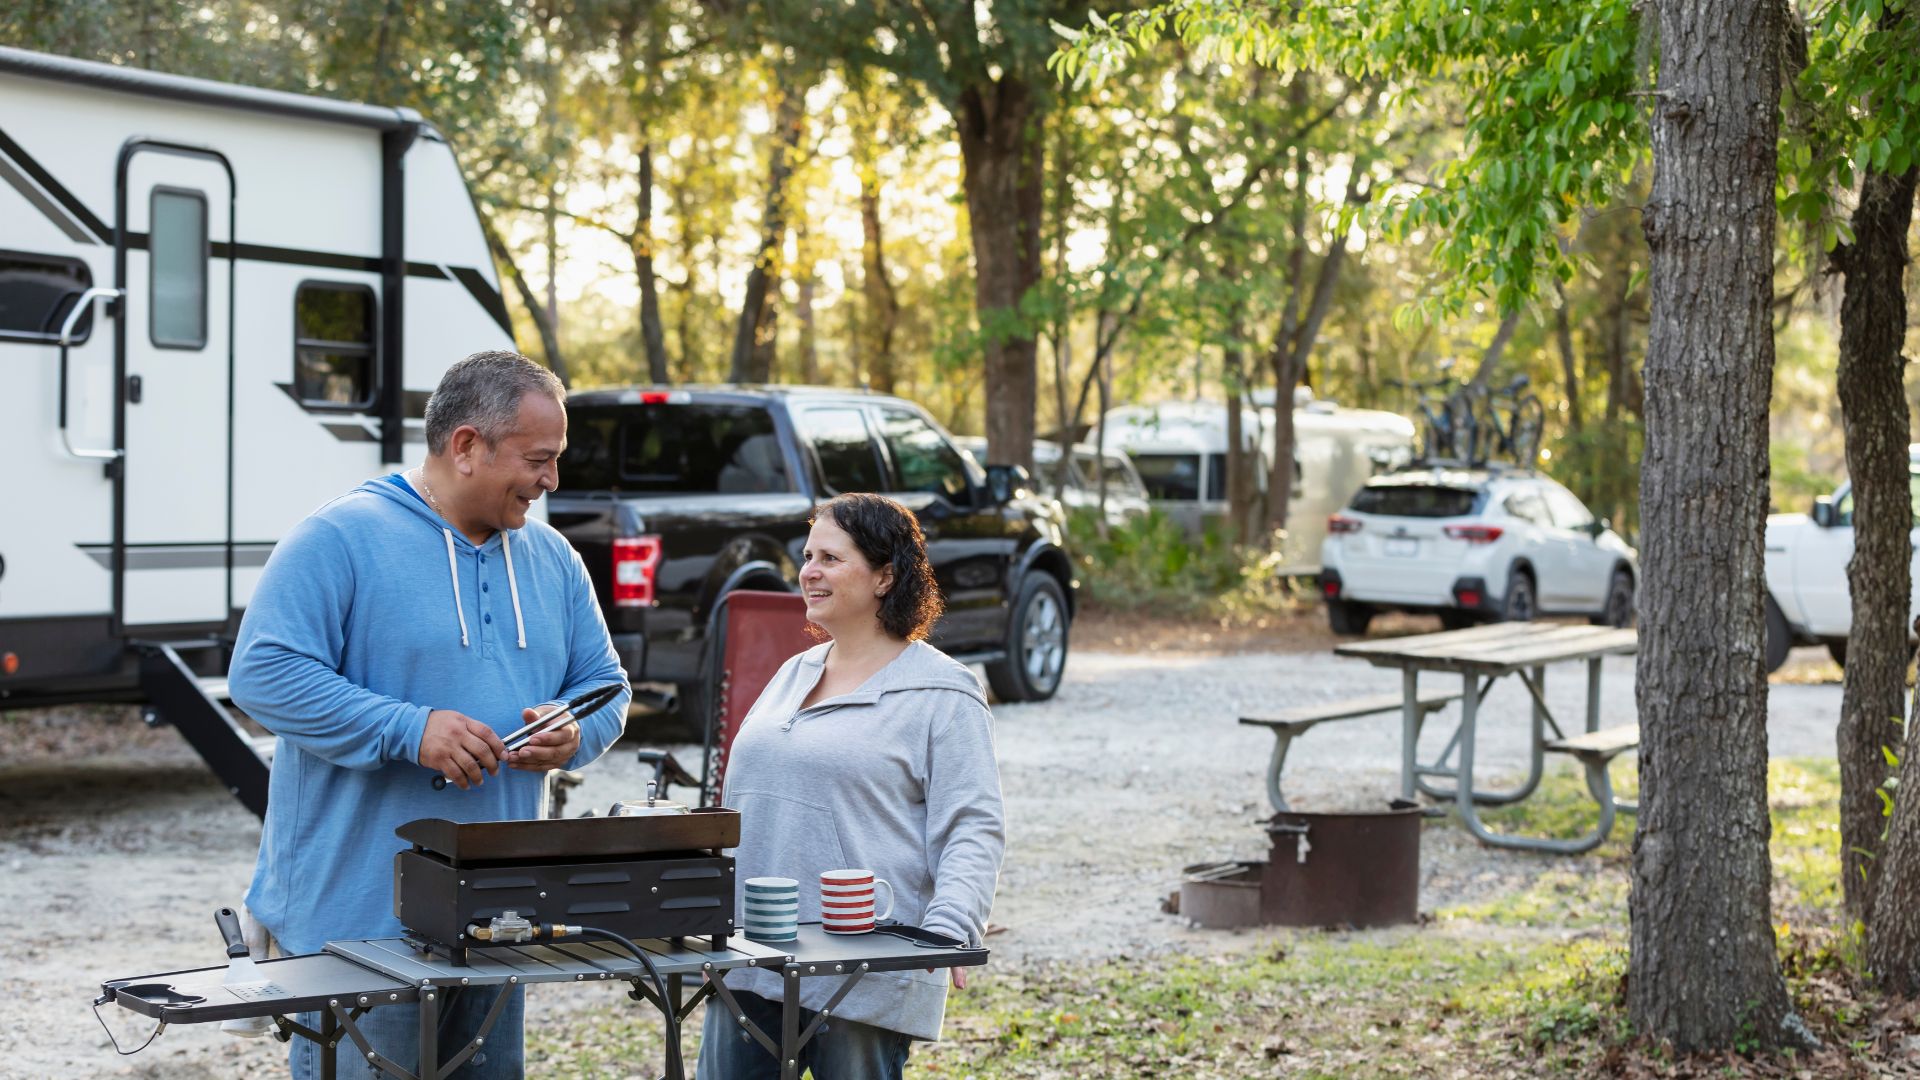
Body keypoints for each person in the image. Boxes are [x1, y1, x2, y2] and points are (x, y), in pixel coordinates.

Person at [228, 350, 632, 1079]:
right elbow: (263, 674)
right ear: (467, 445)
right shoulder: (339, 539)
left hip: (500, 919)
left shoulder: (554, 559)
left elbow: (607, 685)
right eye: (538, 458)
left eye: (556, 459)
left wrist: (573, 731)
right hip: (358, 926)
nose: (552, 480)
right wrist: (409, 729)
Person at [698, 492, 1006, 1080]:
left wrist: (950, 928)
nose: (808, 572)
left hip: (863, 966)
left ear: (885, 575)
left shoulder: (942, 692)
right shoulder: (793, 673)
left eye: (831, 559)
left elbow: (972, 822)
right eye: (807, 556)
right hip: (751, 953)